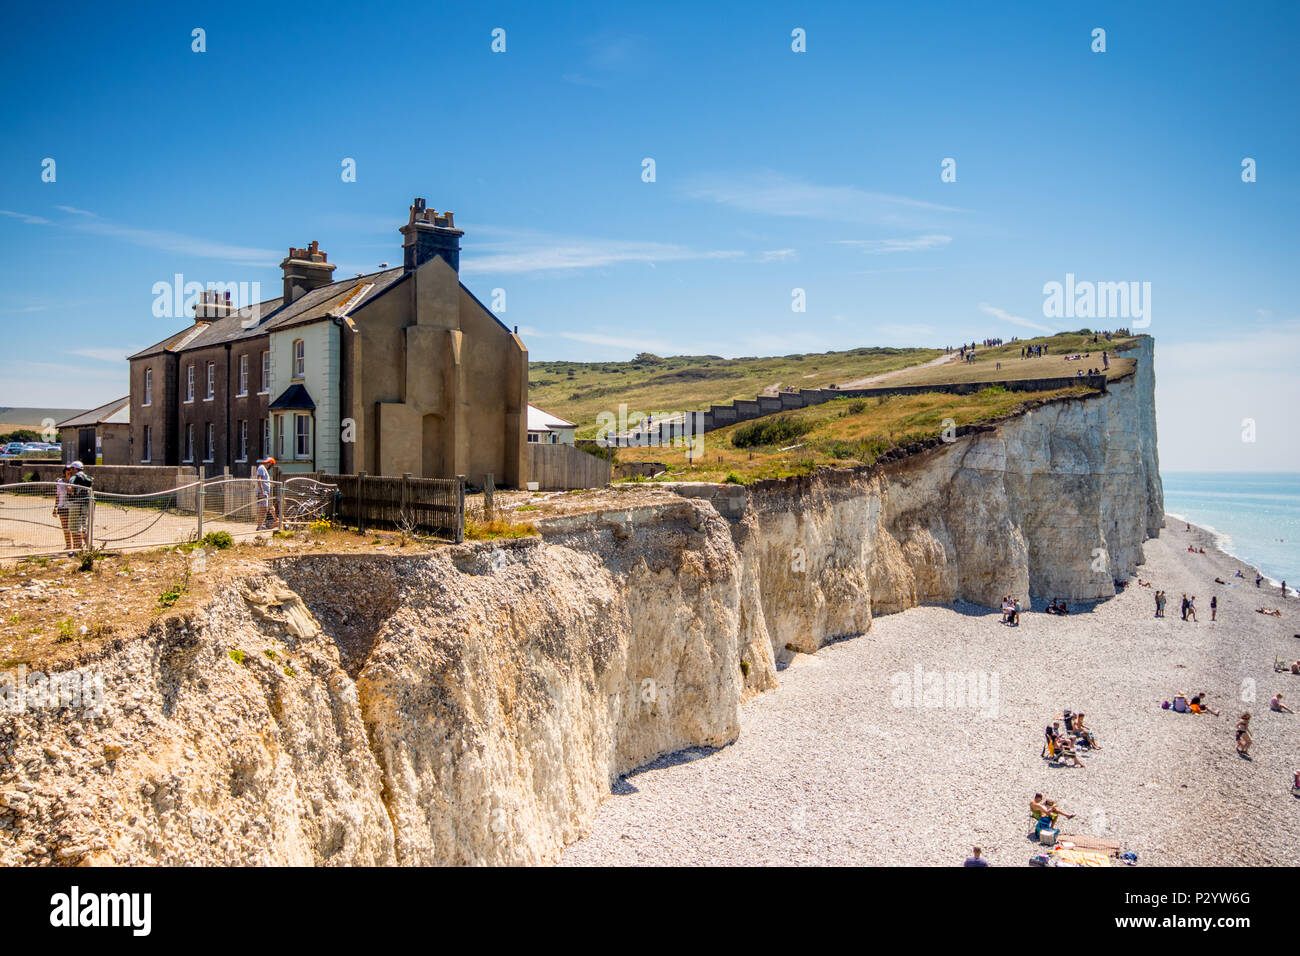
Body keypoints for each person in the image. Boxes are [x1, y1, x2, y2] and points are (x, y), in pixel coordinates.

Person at [67, 461, 93, 551]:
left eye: (71, 469)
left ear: (74, 469)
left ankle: (77, 549)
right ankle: (89, 547)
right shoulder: (87, 477)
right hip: (85, 504)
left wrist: (70, 491)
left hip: (76, 503)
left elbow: (70, 488)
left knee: (74, 527)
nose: (70, 471)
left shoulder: (74, 477)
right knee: (84, 526)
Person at [53, 464, 75, 555]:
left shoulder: (73, 481)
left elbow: (71, 492)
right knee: (65, 527)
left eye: (71, 471)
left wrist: (69, 481)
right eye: (67, 470)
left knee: (73, 527)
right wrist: (55, 507)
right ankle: (68, 545)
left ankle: (75, 546)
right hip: (62, 506)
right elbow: (58, 495)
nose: (69, 472)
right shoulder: (60, 482)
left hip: (71, 507)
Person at [255, 457, 277, 530]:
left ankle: (276, 521)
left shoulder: (264, 469)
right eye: (272, 465)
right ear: (270, 463)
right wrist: (262, 491)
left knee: (269, 507)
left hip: (266, 493)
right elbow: (259, 479)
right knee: (263, 509)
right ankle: (259, 526)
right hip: (263, 493)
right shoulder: (261, 468)